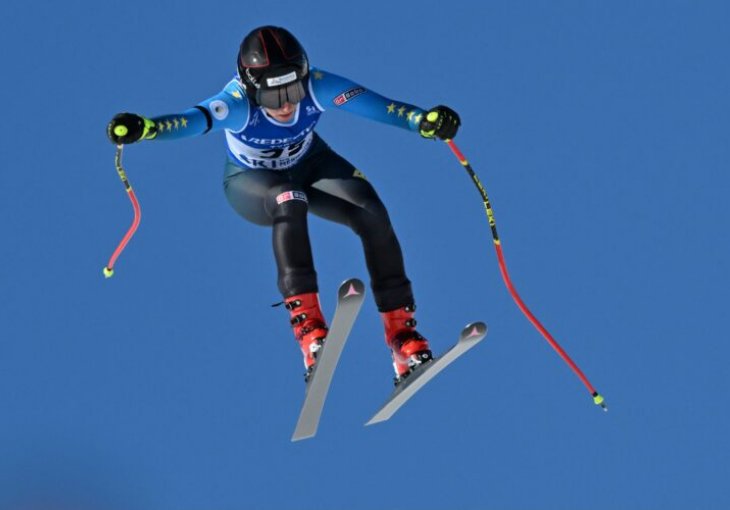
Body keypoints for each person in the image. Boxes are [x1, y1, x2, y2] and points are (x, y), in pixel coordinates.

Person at [107, 26, 461, 384]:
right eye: (273, 98)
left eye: (292, 90)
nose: (287, 103)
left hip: (311, 163)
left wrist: (422, 121)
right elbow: (191, 121)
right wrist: (148, 128)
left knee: (373, 213)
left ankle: (401, 337)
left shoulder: (319, 84)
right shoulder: (233, 103)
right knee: (289, 199)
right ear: (250, 89)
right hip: (252, 183)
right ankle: (309, 331)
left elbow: (378, 106)